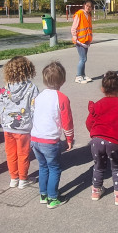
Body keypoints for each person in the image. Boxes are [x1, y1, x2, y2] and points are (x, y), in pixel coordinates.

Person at [86, 71, 118, 205]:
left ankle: (96, 191)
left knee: (98, 166)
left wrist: (95, 133)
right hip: (115, 142)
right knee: (117, 167)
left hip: (97, 140)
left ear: (102, 89)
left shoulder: (98, 104)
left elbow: (89, 122)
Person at [31, 61, 74, 209]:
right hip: (49, 141)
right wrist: (69, 139)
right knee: (55, 168)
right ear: (63, 80)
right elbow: (67, 121)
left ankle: (43, 194)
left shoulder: (39, 96)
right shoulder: (61, 98)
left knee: (43, 167)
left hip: (35, 138)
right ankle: (53, 198)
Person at [0, 56, 39, 189]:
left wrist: (4, 121)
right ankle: (23, 179)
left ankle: (13, 178)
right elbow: (34, 107)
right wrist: (34, 124)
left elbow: (1, 105)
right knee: (23, 153)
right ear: (28, 70)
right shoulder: (31, 87)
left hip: (7, 126)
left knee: (10, 153)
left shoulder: (5, 88)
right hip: (24, 127)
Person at [71, 0, 94, 84]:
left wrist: (89, 40)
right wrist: (74, 36)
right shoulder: (80, 14)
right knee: (82, 59)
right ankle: (78, 76)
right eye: (87, 6)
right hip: (79, 40)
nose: (88, 8)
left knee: (84, 59)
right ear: (84, 5)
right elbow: (74, 27)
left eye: (90, 6)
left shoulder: (89, 15)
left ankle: (83, 75)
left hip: (86, 41)